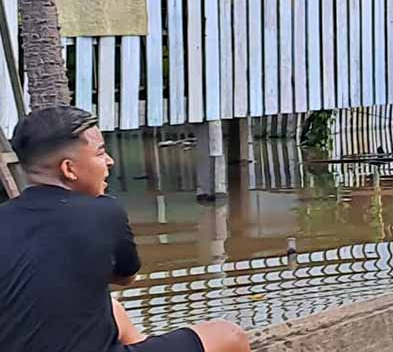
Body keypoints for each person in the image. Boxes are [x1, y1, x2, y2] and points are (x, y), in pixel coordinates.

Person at [0, 106, 250, 352]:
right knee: (230, 335)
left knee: (113, 310)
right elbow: (125, 276)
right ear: (69, 169)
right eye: (100, 153)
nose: (110, 161)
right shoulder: (103, 211)